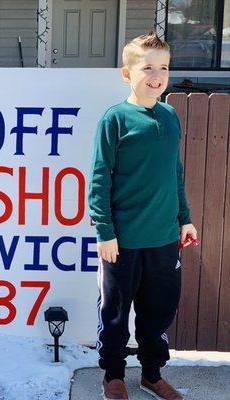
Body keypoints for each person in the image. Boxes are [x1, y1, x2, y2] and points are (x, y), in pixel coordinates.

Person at [88, 31, 198, 400]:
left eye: (164, 67)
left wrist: (184, 218)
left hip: (165, 238)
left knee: (158, 313)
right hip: (122, 241)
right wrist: (105, 232)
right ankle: (114, 376)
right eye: (147, 67)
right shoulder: (115, 120)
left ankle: (152, 374)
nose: (157, 75)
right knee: (116, 314)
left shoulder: (169, 116)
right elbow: (100, 178)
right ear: (126, 73)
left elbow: (174, 172)